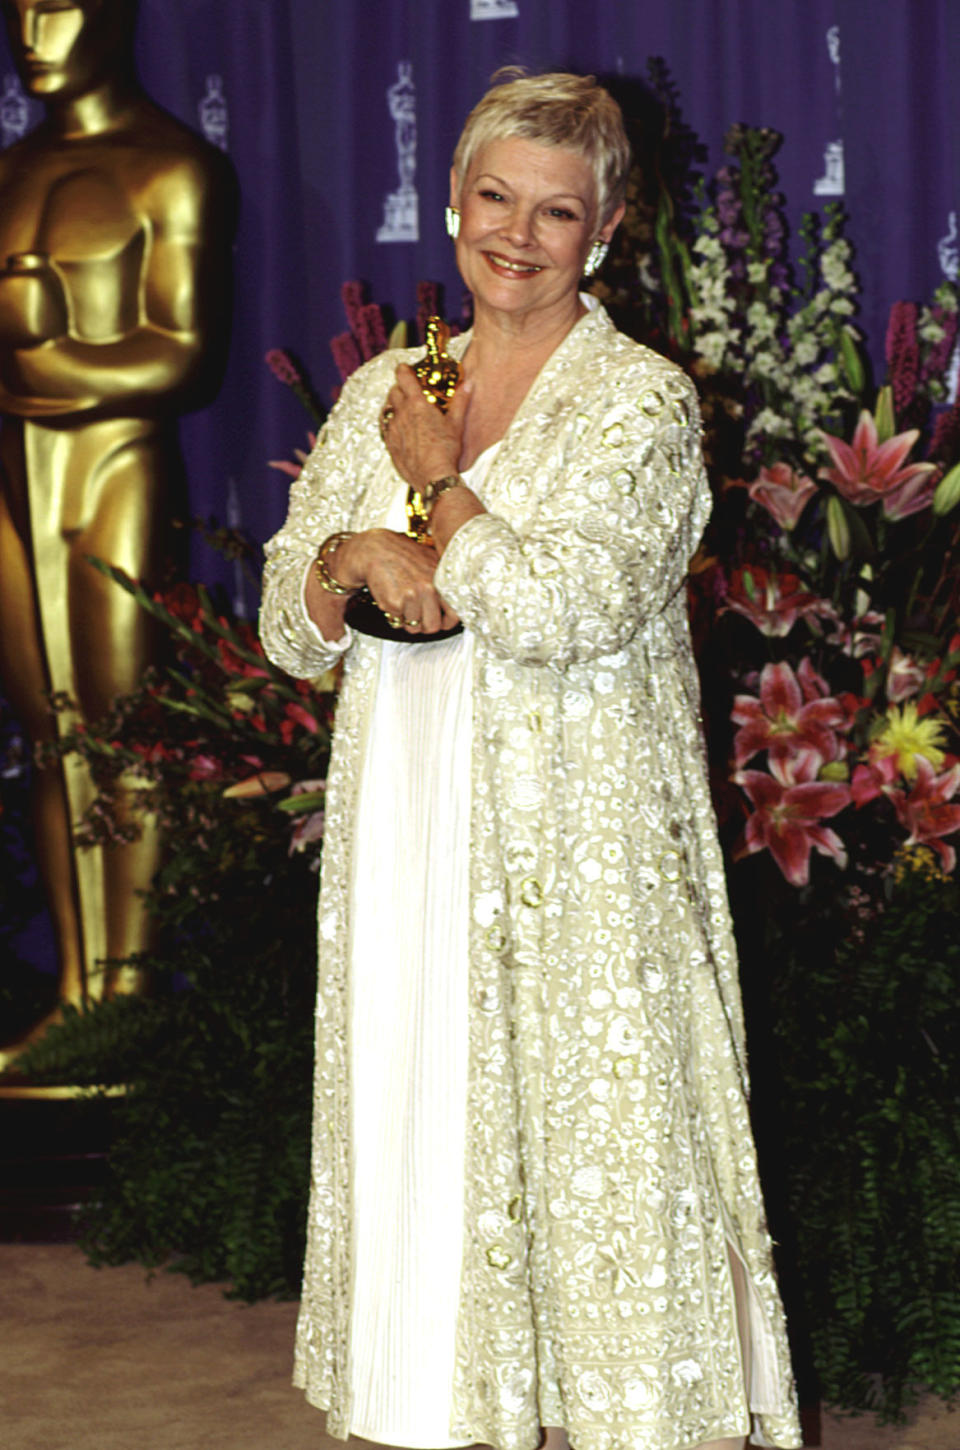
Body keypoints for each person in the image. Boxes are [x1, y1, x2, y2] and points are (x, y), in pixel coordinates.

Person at [260, 70, 802, 1450]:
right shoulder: (398, 376)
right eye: (496, 196)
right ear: (452, 202)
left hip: (580, 840)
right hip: (408, 824)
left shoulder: (642, 402)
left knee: (601, 1160)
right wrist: (347, 553)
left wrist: (438, 486)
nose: (518, 232)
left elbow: (568, 607)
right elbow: (286, 621)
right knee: (426, 1124)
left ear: (605, 229)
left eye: (556, 210)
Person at [0, 0, 234, 1062]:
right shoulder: (10, 171)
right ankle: (77, 991)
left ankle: (129, 995)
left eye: (58, 6)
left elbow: (180, 353)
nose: (31, 33)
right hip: (16, 478)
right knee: (50, 737)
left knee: (123, 728)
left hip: (116, 468)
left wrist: (48, 361)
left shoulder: (169, 166)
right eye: (17, 11)